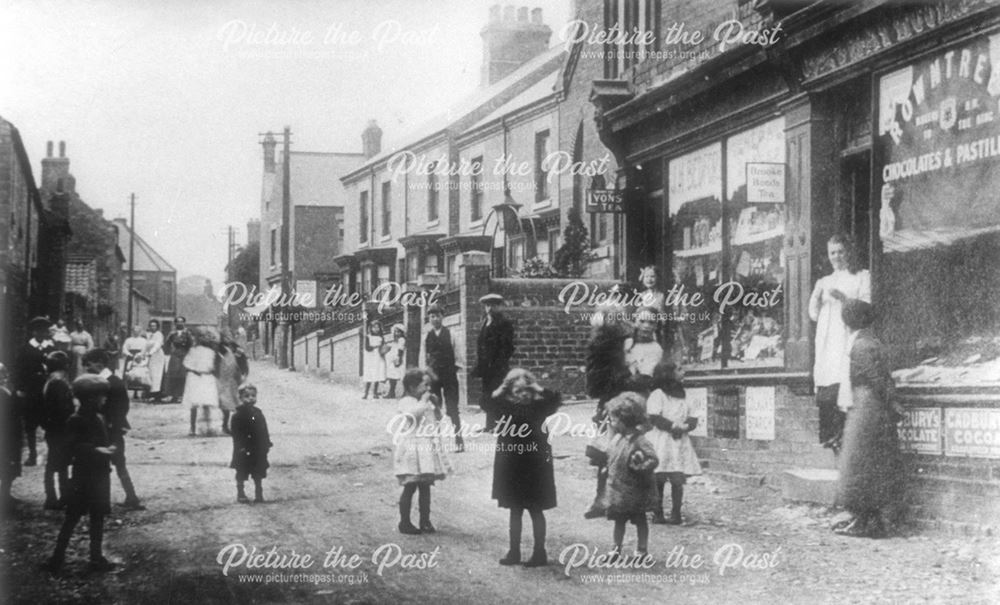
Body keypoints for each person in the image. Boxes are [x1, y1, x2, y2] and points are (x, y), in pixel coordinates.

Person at [834, 300, 904, 538]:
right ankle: (872, 520)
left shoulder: (860, 345)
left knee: (859, 462)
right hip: (873, 405)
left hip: (866, 405)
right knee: (872, 462)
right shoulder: (872, 342)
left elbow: (874, 378)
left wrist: (888, 400)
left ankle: (864, 520)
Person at [42, 374, 118, 574]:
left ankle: (96, 557)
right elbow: (71, 448)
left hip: (100, 476)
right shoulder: (76, 420)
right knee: (72, 518)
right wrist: (96, 450)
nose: (105, 399)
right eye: (102, 396)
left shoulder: (98, 418)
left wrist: (107, 448)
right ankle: (56, 558)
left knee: (98, 518)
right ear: (91, 398)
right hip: (83, 478)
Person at [490, 369, 560, 568]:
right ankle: (514, 551)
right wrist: (502, 387)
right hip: (512, 466)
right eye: (518, 390)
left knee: (536, 510)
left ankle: (540, 552)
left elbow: (554, 399)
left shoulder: (539, 407)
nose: (523, 394)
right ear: (510, 392)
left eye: (527, 390)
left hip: (535, 467)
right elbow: (487, 402)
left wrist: (536, 386)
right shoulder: (505, 407)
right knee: (515, 510)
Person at [809, 233, 871, 452]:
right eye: (832, 252)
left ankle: (843, 438)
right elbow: (813, 315)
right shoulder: (824, 281)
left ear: (849, 252)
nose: (836, 256)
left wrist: (844, 299)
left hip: (847, 336)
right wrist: (815, 299)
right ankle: (830, 438)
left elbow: (866, 309)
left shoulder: (861, 276)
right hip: (827, 340)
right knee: (828, 384)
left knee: (843, 381)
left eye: (840, 251)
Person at [583, 304, 633, 519]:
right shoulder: (599, 342)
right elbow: (593, 377)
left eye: (616, 315)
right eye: (608, 315)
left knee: (629, 451)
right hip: (610, 399)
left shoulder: (629, 338)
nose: (613, 319)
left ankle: (625, 501)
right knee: (605, 453)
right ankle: (601, 499)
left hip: (630, 398)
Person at [82, 349, 144, 510]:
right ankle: (111, 498)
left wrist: (112, 424)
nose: (87, 369)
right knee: (104, 464)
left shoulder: (114, 382)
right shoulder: (97, 381)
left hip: (112, 430)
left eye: (89, 365)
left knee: (117, 463)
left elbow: (123, 407)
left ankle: (131, 497)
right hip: (100, 429)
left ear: (100, 363)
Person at [393, 369, 450, 534]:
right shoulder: (406, 401)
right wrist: (424, 402)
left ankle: (425, 520)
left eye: (429, 385)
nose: (428, 388)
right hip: (412, 449)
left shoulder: (425, 402)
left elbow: (437, 420)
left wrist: (437, 406)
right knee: (410, 486)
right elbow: (412, 416)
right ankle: (405, 522)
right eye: (424, 385)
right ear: (412, 386)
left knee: (425, 486)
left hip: (425, 449)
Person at [604, 392, 659, 561]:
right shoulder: (617, 438)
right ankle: (615, 549)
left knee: (640, 519)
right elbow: (611, 456)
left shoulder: (640, 440)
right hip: (619, 489)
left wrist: (640, 466)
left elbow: (653, 459)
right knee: (618, 520)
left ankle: (642, 550)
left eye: (613, 420)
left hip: (636, 489)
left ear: (624, 420)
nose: (611, 423)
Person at [646, 361, 700, 525]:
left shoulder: (686, 395)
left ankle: (676, 512)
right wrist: (672, 426)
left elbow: (693, 417)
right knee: (659, 477)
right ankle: (658, 512)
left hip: (679, 440)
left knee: (677, 478)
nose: (683, 372)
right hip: (662, 440)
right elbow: (655, 417)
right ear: (668, 374)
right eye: (678, 369)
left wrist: (686, 426)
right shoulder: (658, 394)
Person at [422, 306, 463, 452]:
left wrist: (455, 368)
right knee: (435, 407)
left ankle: (459, 441)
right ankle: (436, 442)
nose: (435, 319)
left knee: (452, 407)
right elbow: (425, 356)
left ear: (442, 317)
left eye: (437, 315)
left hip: (449, 375)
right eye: (432, 316)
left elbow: (458, 353)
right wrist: (427, 373)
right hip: (434, 377)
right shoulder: (427, 336)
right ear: (429, 319)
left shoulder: (451, 333)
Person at [14, 316, 54, 467]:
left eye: (44, 330)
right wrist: (20, 388)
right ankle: (32, 454)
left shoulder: (51, 348)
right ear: (33, 332)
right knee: (30, 425)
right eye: (38, 330)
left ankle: (51, 454)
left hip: (47, 391)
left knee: (50, 423)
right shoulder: (25, 349)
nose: (42, 333)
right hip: (31, 391)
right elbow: (19, 370)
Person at [474, 294, 515, 431]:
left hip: (498, 367)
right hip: (486, 367)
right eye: (487, 305)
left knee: (499, 394)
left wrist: (500, 363)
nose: (490, 308)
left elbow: (508, 347)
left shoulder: (504, 323)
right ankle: (490, 424)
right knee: (488, 394)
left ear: (499, 306)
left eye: (493, 305)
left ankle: (502, 425)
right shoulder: (485, 322)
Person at [229, 383, 271, 504]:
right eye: (247, 396)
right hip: (243, 448)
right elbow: (236, 434)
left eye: (253, 395)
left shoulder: (258, 413)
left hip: (257, 448)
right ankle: (240, 492)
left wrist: (266, 443)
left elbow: (264, 429)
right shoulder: (238, 415)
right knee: (241, 470)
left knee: (258, 470)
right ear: (240, 398)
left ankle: (259, 492)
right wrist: (240, 447)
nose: (251, 398)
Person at [42, 351, 74, 510]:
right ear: (65, 365)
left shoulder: (51, 380)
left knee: (55, 463)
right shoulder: (59, 382)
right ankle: (56, 497)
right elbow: (64, 408)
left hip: (52, 428)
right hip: (60, 428)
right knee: (59, 464)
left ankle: (56, 496)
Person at [184, 327, 220, 436]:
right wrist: (195, 369)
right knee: (194, 404)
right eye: (200, 337)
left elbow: (213, 366)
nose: (203, 339)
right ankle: (192, 427)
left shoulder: (211, 352)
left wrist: (210, 370)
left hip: (207, 378)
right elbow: (187, 363)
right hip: (195, 377)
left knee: (207, 403)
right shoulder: (193, 350)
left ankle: (208, 427)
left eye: (205, 337)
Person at [0, 363, 22, 509]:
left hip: (8, 433)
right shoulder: (4, 393)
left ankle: (5, 493)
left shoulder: (5, 391)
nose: (5, 376)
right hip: (6, 434)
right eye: (2, 373)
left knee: (9, 465)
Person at [217, 330, 246, 435]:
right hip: (221, 379)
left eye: (230, 336)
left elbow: (241, 361)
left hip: (232, 379)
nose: (228, 338)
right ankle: (225, 426)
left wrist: (242, 374)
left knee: (235, 403)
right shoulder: (219, 348)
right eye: (225, 337)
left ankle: (232, 426)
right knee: (225, 404)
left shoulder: (235, 348)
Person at [625, 307, 664, 379]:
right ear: (635, 322)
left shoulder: (656, 349)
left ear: (656, 326)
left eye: (651, 323)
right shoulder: (626, 344)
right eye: (642, 321)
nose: (646, 326)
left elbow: (647, 374)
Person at [163, 317, 193, 403]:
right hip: (175, 355)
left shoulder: (187, 333)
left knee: (183, 375)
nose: (180, 324)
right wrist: (169, 352)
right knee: (173, 374)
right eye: (178, 322)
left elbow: (191, 344)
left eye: (182, 322)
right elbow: (167, 344)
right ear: (175, 323)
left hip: (184, 355)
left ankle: (182, 395)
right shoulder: (172, 333)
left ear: (184, 323)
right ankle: (174, 395)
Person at [362, 320, 387, 400]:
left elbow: (383, 346)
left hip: (378, 357)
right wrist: (375, 347)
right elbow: (367, 348)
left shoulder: (381, 337)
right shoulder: (368, 337)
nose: (376, 329)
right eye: (374, 327)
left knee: (377, 374)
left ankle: (375, 393)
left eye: (378, 327)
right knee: (369, 374)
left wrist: (383, 350)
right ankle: (366, 393)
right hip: (370, 357)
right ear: (371, 328)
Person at [144, 320, 166, 401]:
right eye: (151, 326)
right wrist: (144, 353)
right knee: (151, 373)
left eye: (154, 326)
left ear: (157, 327)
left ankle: (157, 394)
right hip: (150, 356)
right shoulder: (149, 335)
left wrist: (151, 352)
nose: (153, 327)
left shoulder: (159, 334)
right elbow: (146, 345)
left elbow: (157, 345)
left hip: (157, 356)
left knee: (157, 374)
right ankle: (151, 393)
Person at [384, 324, 406, 399]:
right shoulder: (395, 341)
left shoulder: (401, 340)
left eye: (399, 332)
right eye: (395, 332)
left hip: (398, 360)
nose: (397, 333)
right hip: (393, 361)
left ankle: (405, 392)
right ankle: (391, 392)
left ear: (402, 333)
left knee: (401, 375)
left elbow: (400, 350)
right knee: (392, 376)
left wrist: (398, 358)